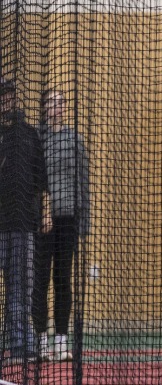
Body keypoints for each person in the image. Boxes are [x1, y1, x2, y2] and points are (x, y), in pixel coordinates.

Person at [32, 90, 90, 362]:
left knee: (63, 279)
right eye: (51, 102)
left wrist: (84, 223)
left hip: (68, 219)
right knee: (41, 279)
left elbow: (83, 183)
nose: (57, 106)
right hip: (42, 220)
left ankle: (61, 341)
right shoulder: (37, 138)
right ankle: (42, 341)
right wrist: (39, 213)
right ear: (44, 107)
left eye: (60, 101)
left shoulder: (75, 140)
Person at [0, 77, 50, 363]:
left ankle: (22, 345)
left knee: (21, 285)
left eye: (9, 95)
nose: (6, 99)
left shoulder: (29, 133)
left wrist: (44, 212)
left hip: (23, 222)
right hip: (1, 221)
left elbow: (40, 179)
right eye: (2, 96)